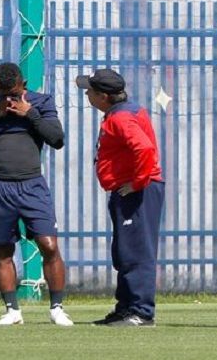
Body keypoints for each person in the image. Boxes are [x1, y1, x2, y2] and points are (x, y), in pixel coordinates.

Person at [0, 62, 72, 326]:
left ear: (22, 84)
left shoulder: (41, 102)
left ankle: (57, 308)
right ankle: (12, 311)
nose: (8, 99)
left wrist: (30, 113)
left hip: (32, 185)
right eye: (3, 93)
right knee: (3, 250)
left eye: (12, 92)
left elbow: (57, 139)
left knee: (49, 245)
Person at [76, 68, 165, 327]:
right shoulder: (120, 112)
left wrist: (137, 182)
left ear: (103, 96)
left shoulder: (122, 117)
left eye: (90, 91)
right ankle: (126, 308)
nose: (87, 95)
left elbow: (145, 148)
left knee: (137, 252)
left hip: (139, 191)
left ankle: (141, 312)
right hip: (129, 191)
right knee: (125, 252)